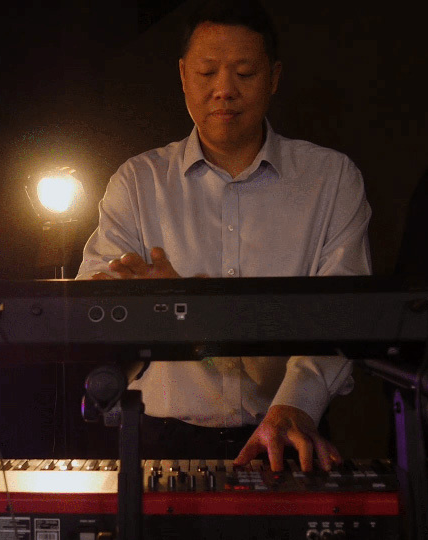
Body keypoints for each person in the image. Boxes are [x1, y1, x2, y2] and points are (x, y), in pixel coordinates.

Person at [75, 0, 371, 472]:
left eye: (245, 73)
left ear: (274, 77)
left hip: (289, 434)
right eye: (207, 72)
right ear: (183, 75)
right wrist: (148, 305)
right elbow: (91, 308)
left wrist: (295, 405)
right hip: (161, 438)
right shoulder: (138, 181)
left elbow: (345, 313)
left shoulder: (331, 178)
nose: (224, 90)